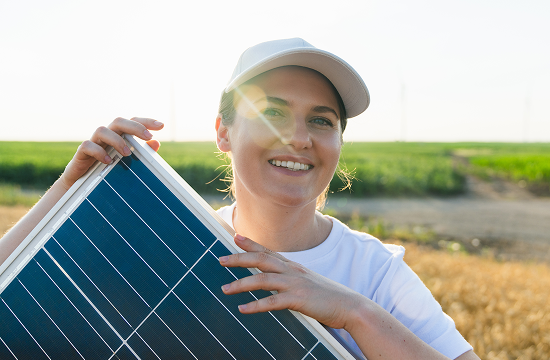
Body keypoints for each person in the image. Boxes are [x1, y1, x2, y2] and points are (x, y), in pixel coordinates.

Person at [0, 38, 479, 360]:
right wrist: (69, 191)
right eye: (271, 112)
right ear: (223, 132)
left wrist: (355, 313)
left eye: (321, 120)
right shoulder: (170, 243)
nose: (298, 137)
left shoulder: (376, 274)